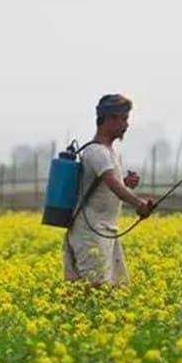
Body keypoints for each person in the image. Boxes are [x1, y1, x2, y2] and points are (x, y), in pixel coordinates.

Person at [63, 94, 154, 286]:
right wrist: (139, 204)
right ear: (109, 119)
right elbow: (112, 184)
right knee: (94, 288)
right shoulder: (98, 152)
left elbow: (110, 184)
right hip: (90, 231)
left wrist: (126, 183)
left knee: (112, 289)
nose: (126, 125)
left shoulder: (107, 152)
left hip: (105, 230)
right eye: (123, 119)